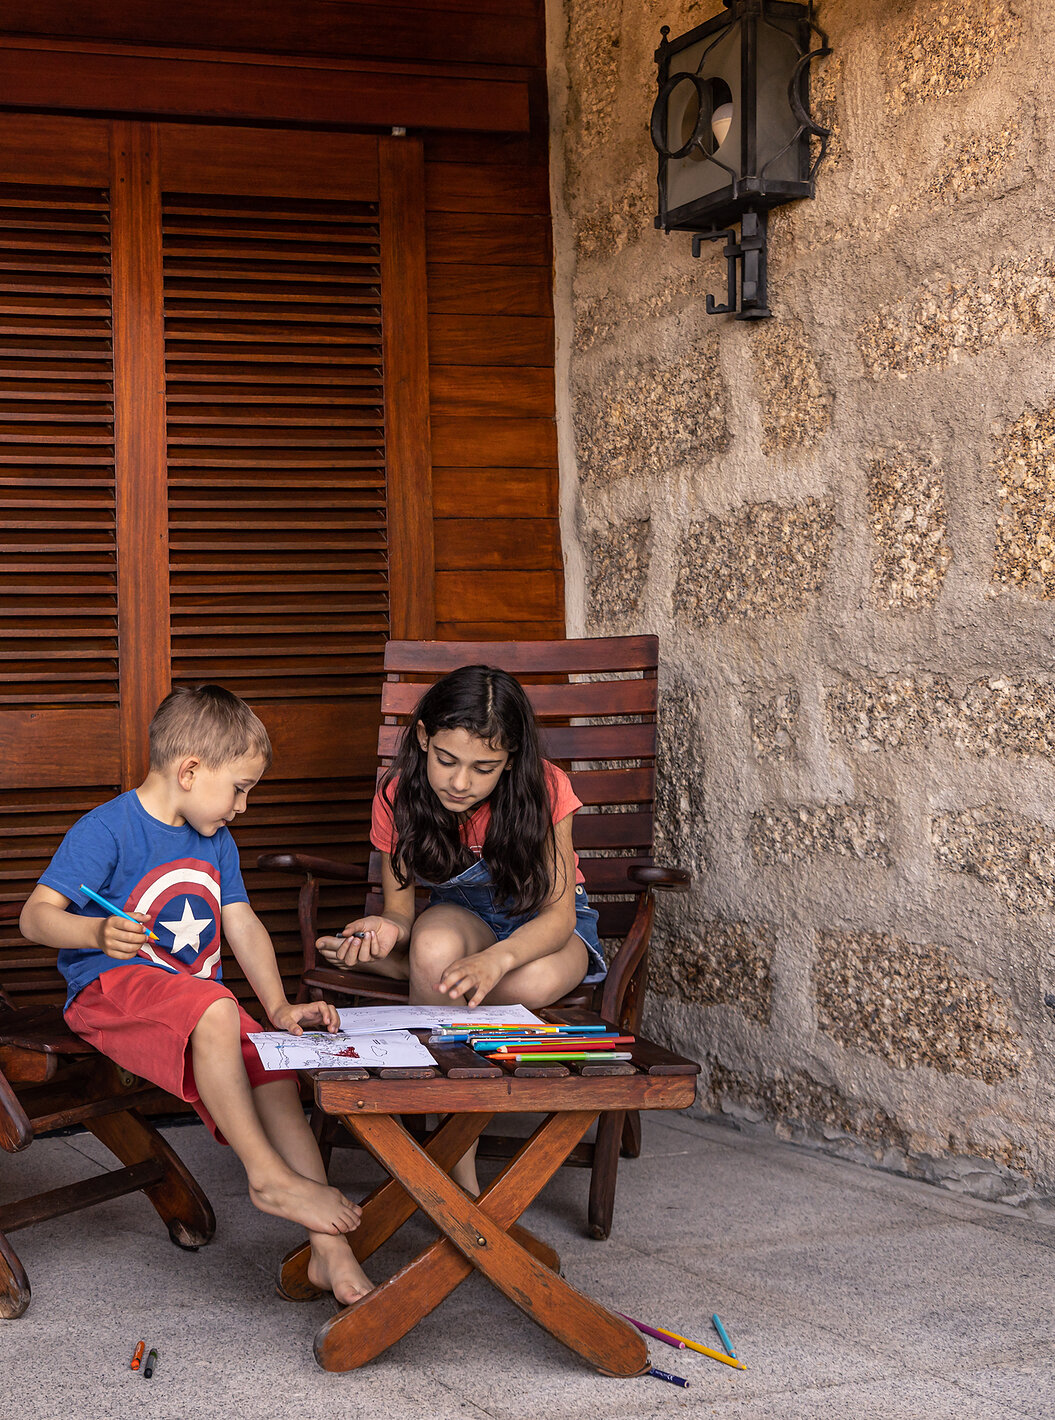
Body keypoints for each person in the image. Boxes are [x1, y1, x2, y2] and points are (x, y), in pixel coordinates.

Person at [19, 684, 372, 1305]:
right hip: (107, 992)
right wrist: (95, 932)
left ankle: (330, 1254)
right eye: (239, 788)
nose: (242, 806)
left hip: (191, 999)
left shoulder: (215, 841)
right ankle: (266, 1176)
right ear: (189, 771)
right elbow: (34, 917)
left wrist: (278, 1009)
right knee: (213, 1006)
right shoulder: (106, 829)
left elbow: (243, 924)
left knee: (270, 1059)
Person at [315, 664, 606, 1192]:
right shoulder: (398, 794)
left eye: (484, 768)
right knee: (431, 945)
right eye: (447, 760)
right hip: (464, 913)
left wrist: (496, 960)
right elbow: (401, 913)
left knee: (526, 982)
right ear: (424, 738)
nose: (460, 782)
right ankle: (458, 1165)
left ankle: (417, 987)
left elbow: (559, 917)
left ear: (511, 758)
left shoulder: (546, 787)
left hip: (544, 926)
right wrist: (387, 932)